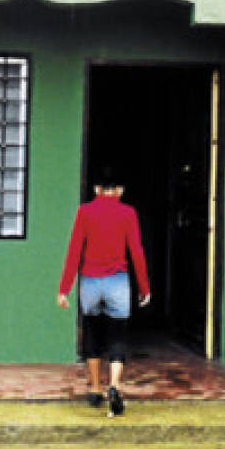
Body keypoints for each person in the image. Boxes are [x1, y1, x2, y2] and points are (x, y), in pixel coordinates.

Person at [57, 166, 150, 417]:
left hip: (90, 281)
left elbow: (75, 249)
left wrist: (64, 289)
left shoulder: (85, 212)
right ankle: (115, 385)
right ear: (120, 190)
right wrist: (144, 287)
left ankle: (96, 389)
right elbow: (137, 251)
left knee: (92, 334)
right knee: (117, 335)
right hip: (118, 282)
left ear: (96, 189)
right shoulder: (128, 213)